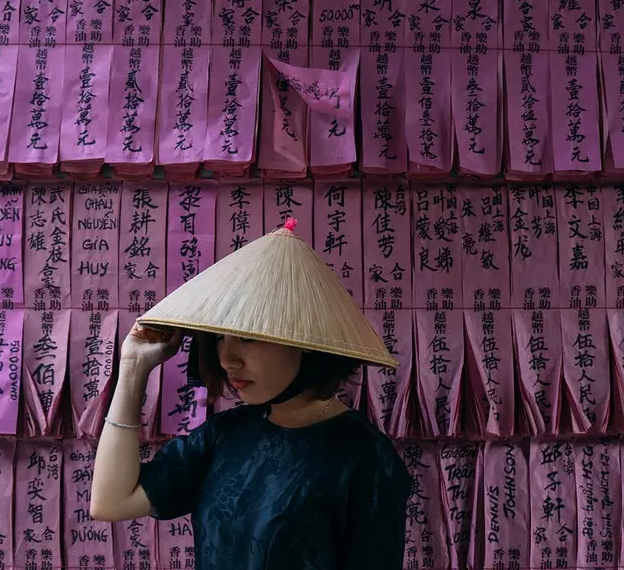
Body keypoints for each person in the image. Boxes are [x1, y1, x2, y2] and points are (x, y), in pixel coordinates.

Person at [90, 219, 411, 570]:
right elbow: (111, 502)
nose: (227, 359)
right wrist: (134, 368)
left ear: (302, 340)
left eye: (247, 337)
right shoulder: (223, 435)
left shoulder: (365, 457)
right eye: (219, 339)